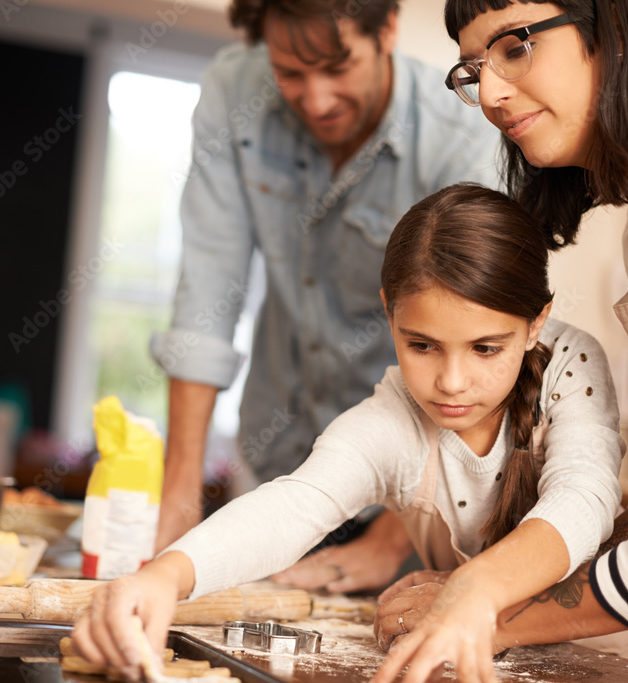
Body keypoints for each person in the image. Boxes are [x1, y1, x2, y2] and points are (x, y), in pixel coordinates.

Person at [72, 182, 628, 680]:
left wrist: (470, 588)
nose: (451, 381)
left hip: (614, 657)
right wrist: (164, 576)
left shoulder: (572, 367)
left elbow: (583, 500)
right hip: (484, 652)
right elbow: (296, 505)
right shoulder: (394, 419)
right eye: (421, 345)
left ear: (536, 322)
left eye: (486, 348)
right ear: (390, 310)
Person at [373, 2, 628, 682]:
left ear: (612, 23)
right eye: (475, 69)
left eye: (515, 46)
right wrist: (500, 579)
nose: (494, 95)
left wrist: (492, 611)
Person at [150, 0, 501, 593]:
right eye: (289, 72)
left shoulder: (463, 136)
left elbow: (473, 351)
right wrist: (178, 501)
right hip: (275, 467)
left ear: (386, 28)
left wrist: (390, 542)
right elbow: (208, 287)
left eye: (338, 68)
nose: (316, 99)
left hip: (412, 490)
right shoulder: (235, 90)